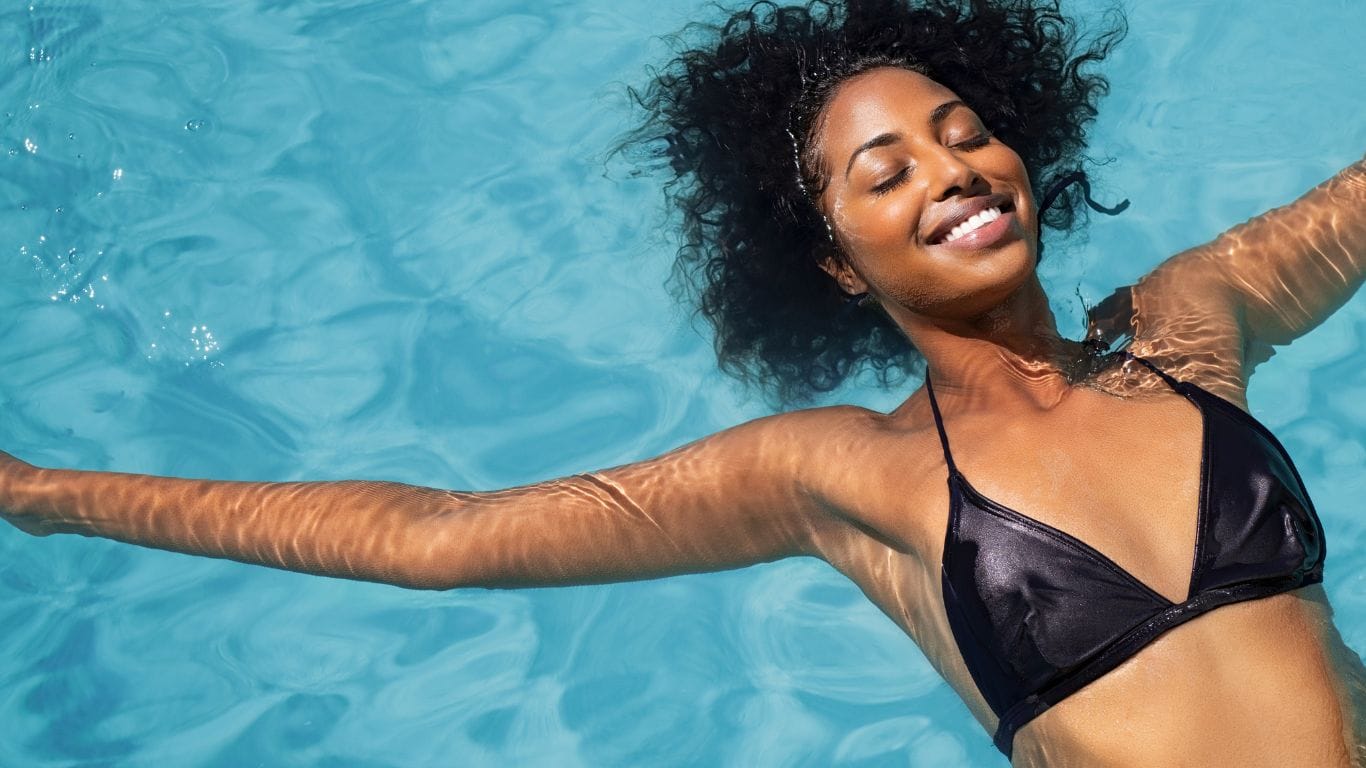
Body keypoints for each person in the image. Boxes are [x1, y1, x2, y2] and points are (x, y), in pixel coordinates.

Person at [3, 0, 1364, 763]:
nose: (949, 172)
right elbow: (442, 541)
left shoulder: (1185, 334)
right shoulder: (846, 474)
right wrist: (42, 492)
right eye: (882, 174)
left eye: (962, 136)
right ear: (832, 263)